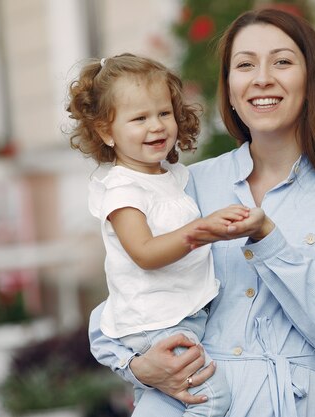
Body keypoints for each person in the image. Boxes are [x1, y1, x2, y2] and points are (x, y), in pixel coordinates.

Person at [88, 8, 315, 417]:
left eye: (282, 61)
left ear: (313, 78)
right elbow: (126, 300)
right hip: (187, 399)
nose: (262, 78)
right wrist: (138, 367)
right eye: (245, 65)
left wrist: (268, 239)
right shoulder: (188, 184)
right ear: (228, 86)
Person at [66, 53, 257, 416]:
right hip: (155, 322)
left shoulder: (172, 178)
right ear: (106, 131)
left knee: (167, 404)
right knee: (211, 400)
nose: (156, 126)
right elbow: (145, 252)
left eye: (164, 113)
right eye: (139, 118)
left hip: (179, 316)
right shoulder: (123, 190)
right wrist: (201, 231)